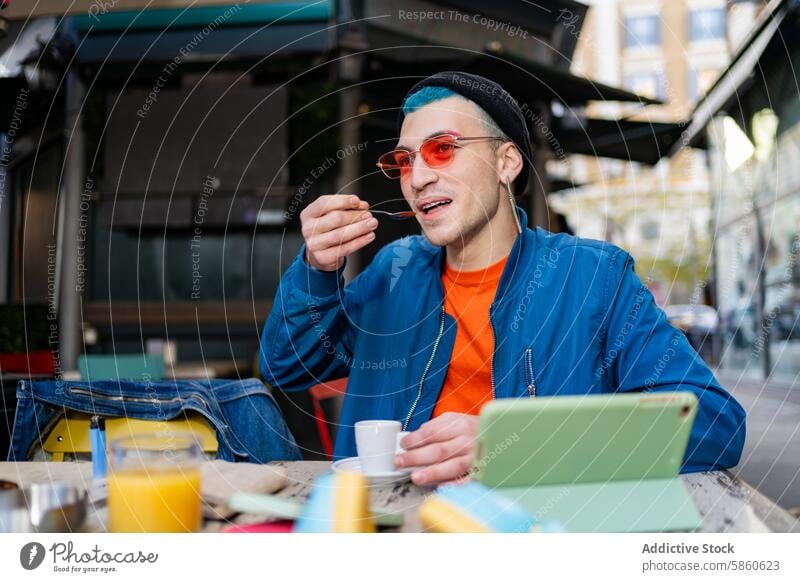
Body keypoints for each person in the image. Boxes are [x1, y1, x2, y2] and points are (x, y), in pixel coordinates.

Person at [260, 71, 745, 485]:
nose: (418, 176)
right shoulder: (394, 271)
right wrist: (317, 270)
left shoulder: (592, 277)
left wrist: (514, 446)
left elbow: (714, 425)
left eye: (443, 149)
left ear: (506, 162)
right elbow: (288, 365)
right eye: (405, 160)